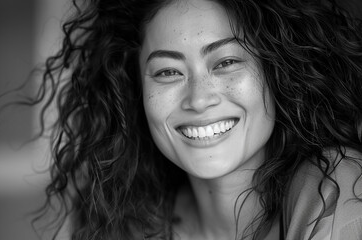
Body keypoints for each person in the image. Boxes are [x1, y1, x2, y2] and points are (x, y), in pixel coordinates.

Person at [31, 0, 362, 239]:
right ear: (135, 91)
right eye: (168, 72)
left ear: (279, 72)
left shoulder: (334, 188)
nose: (199, 99)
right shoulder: (113, 218)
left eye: (226, 62)